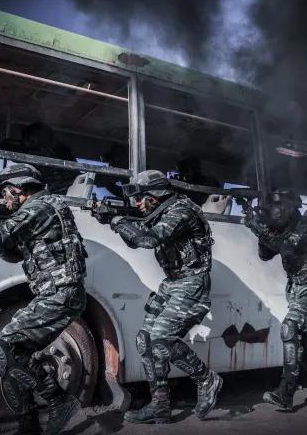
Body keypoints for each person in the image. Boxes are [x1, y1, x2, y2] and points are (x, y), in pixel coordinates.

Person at [0, 164, 88, 435]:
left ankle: (59, 401)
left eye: (5, 193)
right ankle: (28, 424)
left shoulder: (39, 207)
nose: (4, 201)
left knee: (4, 348)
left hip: (61, 294)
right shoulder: (40, 209)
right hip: (54, 294)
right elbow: (12, 253)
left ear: (18, 188)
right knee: (9, 353)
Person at [97, 169, 222, 423]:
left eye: (140, 198)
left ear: (155, 195)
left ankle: (206, 379)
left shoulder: (181, 211)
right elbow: (135, 240)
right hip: (172, 283)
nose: (137, 204)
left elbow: (148, 239)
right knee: (145, 340)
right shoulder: (160, 213)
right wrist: (113, 219)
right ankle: (160, 405)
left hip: (191, 283)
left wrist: (116, 220)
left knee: (162, 340)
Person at [243, 189, 307, 409]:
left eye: (279, 205)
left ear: (292, 206)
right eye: (272, 206)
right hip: (297, 290)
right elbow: (265, 255)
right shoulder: (282, 230)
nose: (274, 210)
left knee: (290, 327)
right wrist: (264, 226)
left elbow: (288, 248)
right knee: (303, 344)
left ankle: (285, 392)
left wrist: (256, 226)